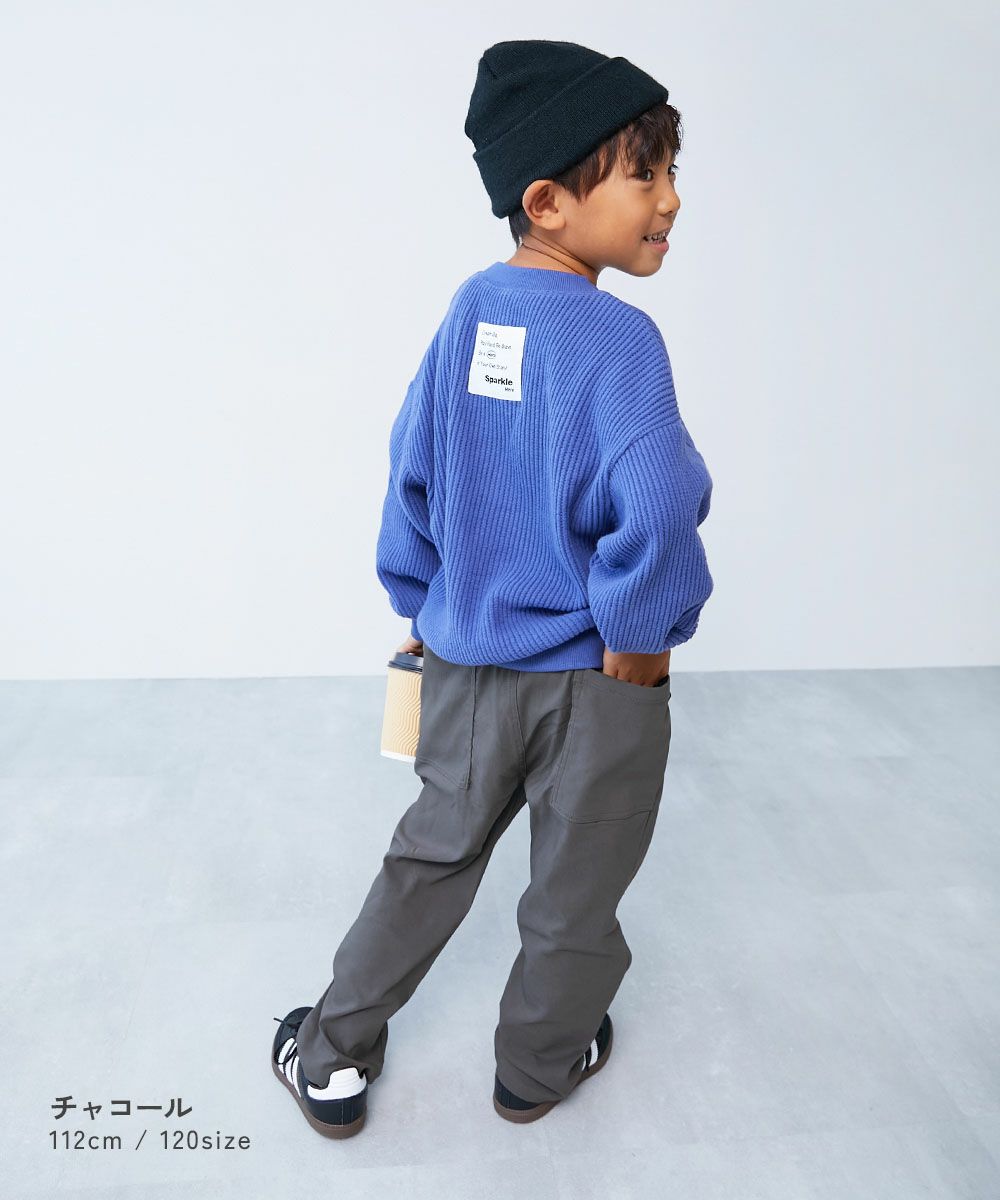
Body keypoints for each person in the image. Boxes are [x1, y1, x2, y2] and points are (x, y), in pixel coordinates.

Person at [271, 38, 714, 1138]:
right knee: (576, 888)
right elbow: (659, 500)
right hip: (600, 680)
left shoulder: (469, 312)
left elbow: (413, 467)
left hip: (467, 665)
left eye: (672, 170)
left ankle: (331, 1055)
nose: (670, 198)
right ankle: (537, 1071)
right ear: (548, 200)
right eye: (644, 174)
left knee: (429, 860)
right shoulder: (622, 341)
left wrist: (422, 604)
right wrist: (641, 634)